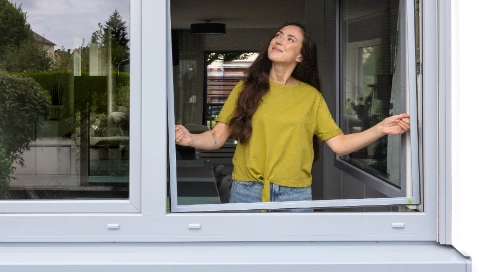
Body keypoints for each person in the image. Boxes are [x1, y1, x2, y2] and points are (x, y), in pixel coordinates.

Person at [174, 22, 410, 210]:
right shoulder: (245, 88)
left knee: (291, 257)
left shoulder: (310, 97)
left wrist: (380, 129)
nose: (279, 40)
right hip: (247, 191)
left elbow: (339, 144)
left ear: (300, 56)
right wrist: (190, 139)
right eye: (278, 35)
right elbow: (217, 137)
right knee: (247, 255)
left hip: (294, 195)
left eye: (290, 39)